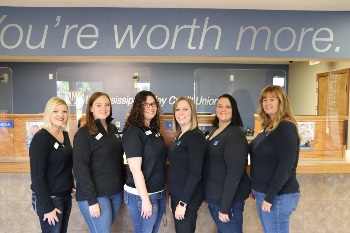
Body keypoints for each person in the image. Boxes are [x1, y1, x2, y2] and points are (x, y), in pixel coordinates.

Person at [250, 85, 300, 233]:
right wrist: (256, 187)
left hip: (278, 196)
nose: (267, 103)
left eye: (272, 99)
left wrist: (270, 196)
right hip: (263, 193)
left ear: (281, 102)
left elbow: (286, 165)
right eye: (264, 99)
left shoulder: (285, 127)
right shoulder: (268, 127)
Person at [73, 92, 125, 233]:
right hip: (96, 195)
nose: (104, 108)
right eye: (98, 105)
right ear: (90, 108)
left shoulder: (112, 129)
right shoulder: (84, 134)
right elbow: (80, 169)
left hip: (114, 193)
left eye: (107, 105)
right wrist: (91, 200)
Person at [203, 94, 251, 233]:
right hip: (216, 197)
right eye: (219, 106)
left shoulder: (235, 134)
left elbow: (234, 173)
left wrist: (225, 207)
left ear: (233, 110)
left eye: (227, 106)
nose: (223, 109)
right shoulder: (215, 130)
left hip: (228, 201)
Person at [122, 90, 168, 233]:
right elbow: (135, 169)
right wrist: (145, 200)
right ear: (138, 107)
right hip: (142, 195)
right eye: (145, 104)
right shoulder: (133, 131)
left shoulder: (154, 130)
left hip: (159, 192)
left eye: (153, 104)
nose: (150, 107)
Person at [30, 97, 74, 233]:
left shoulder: (65, 135)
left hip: (65, 196)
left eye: (64, 111)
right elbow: (37, 177)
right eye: (56, 111)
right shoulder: (41, 138)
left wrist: (71, 187)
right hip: (50, 198)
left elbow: (64, 167)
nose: (60, 115)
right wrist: (47, 207)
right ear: (48, 112)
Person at [167, 97, 206, 233]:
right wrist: (172, 196)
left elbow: (195, 174)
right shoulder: (180, 135)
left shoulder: (195, 137)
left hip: (187, 198)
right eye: (177, 109)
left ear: (192, 112)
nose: (180, 112)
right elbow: (177, 168)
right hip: (178, 195)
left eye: (185, 109)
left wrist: (183, 203)